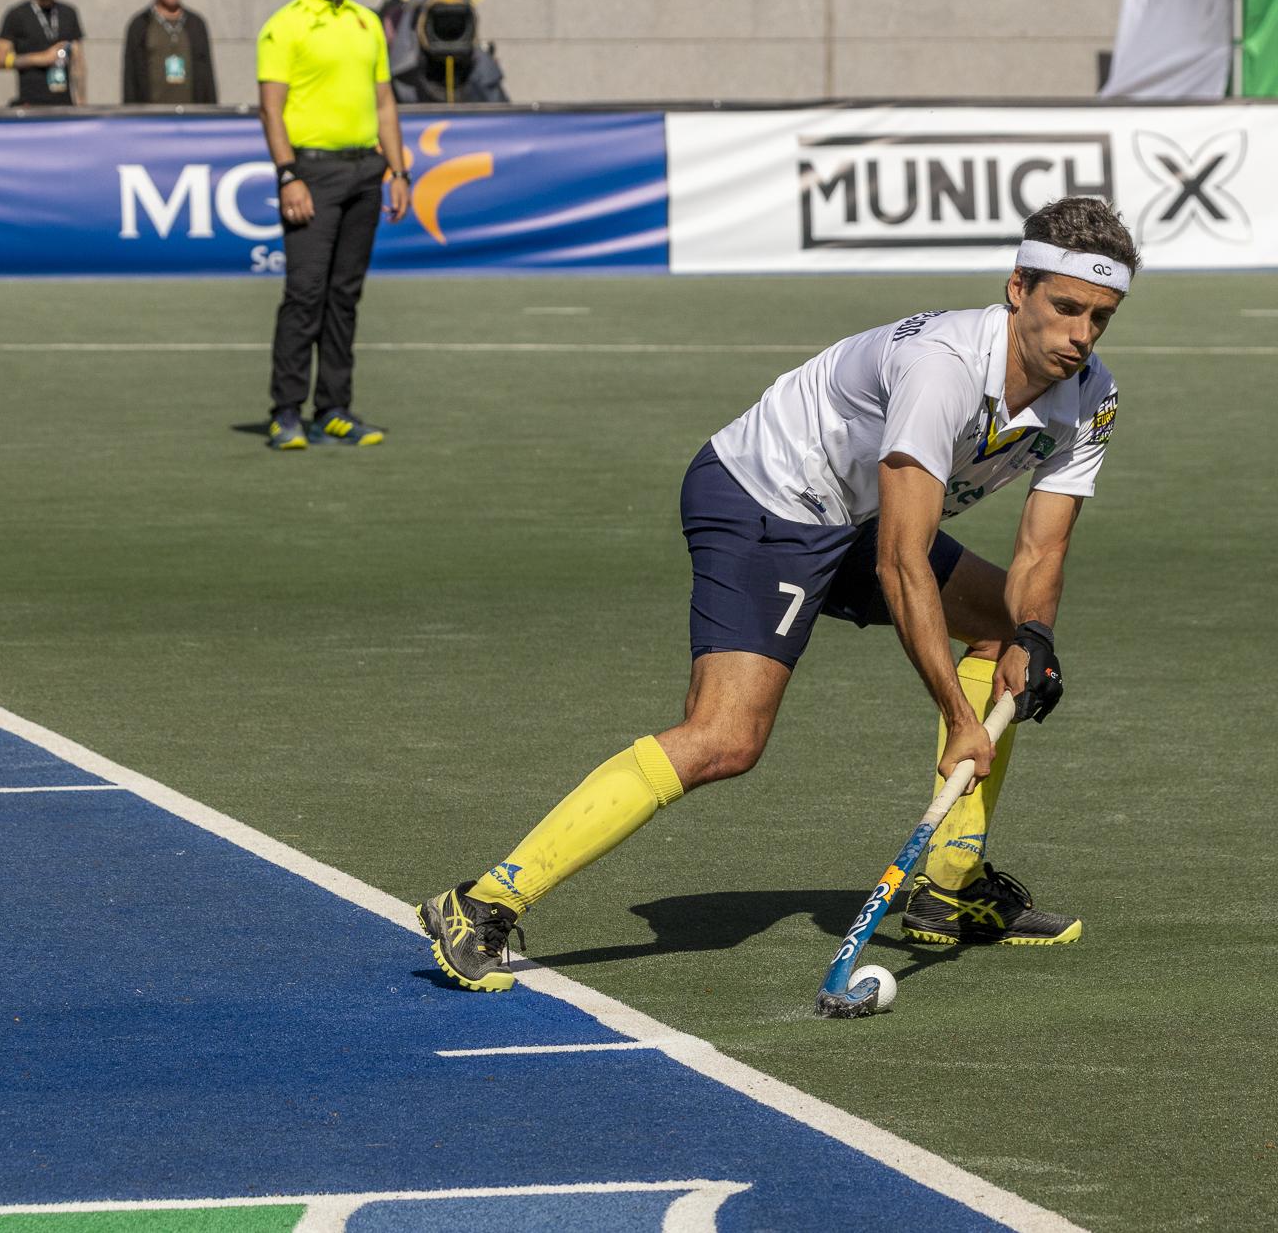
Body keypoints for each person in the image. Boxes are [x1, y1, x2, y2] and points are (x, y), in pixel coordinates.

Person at [417, 197, 1139, 992]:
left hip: (863, 509)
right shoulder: (944, 370)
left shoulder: (1092, 393)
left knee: (1004, 631)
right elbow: (902, 564)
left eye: (1100, 317)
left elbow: (1043, 547)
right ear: (1017, 289)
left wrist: (1035, 634)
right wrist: (963, 722)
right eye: (1065, 307)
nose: (1080, 335)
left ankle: (949, 884)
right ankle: (482, 901)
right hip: (767, 497)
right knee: (726, 736)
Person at [254, 0, 411, 451]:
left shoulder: (368, 23)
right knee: (305, 294)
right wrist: (288, 174)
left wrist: (399, 170)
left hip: (366, 172)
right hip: (311, 173)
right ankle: (285, 412)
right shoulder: (285, 25)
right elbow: (271, 111)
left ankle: (334, 408)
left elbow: (385, 104)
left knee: (345, 296)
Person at [0, 0, 86, 107]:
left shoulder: (69, 13)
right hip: (30, 105)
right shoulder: (17, 15)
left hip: (64, 106)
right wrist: (41, 58)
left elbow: (78, 62)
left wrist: (81, 102)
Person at [121, 0, 217, 105]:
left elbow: (207, 76)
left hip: (191, 113)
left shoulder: (196, 24)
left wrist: (210, 112)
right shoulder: (140, 24)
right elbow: (130, 78)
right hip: (153, 116)